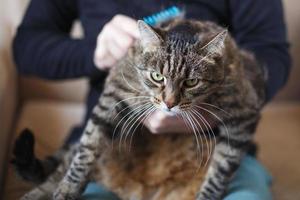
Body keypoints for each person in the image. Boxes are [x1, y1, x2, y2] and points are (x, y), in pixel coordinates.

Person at [13, 0, 290, 199]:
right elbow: (25, 48)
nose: (169, 100)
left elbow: (273, 53)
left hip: (211, 152)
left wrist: (214, 112)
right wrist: (94, 53)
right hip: (114, 150)